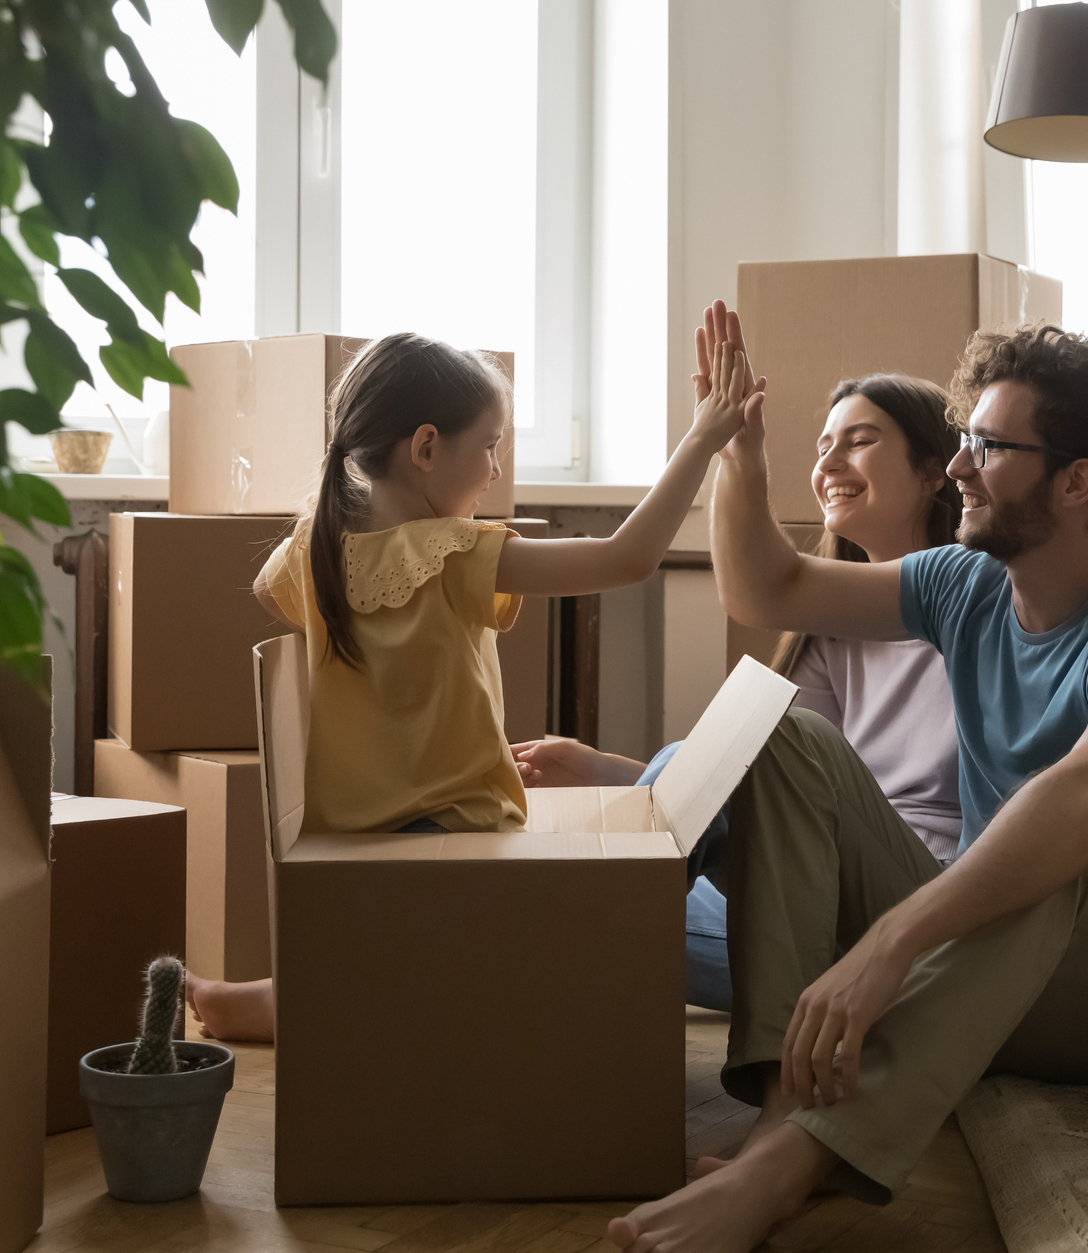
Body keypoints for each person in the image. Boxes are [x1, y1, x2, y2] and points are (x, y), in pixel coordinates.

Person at [608, 306, 1088, 1253]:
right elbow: (766, 591)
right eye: (963, 441)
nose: (959, 467)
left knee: (1048, 848)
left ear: (1075, 482)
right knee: (781, 733)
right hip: (983, 965)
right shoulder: (963, 585)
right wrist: (739, 454)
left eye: (990, 447)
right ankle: (781, 1101)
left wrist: (891, 940)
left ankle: (790, 1165)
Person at [186, 326, 759, 1042]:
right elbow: (628, 557)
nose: (494, 469)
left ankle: (289, 995)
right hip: (458, 840)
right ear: (425, 448)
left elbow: (274, 597)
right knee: (662, 866)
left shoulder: (313, 549)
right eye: (489, 445)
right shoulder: (449, 554)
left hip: (350, 850)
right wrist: (702, 441)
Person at [511, 374, 966, 1009]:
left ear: (935, 471)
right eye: (822, 446)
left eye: (859, 442)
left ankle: (568, 961)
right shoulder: (832, 625)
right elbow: (766, 779)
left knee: (612, 918)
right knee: (588, 900)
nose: (830, 463)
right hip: (820, 884)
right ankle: (577, 943)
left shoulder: (983, 604)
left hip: (920, 905)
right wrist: (615, 774)